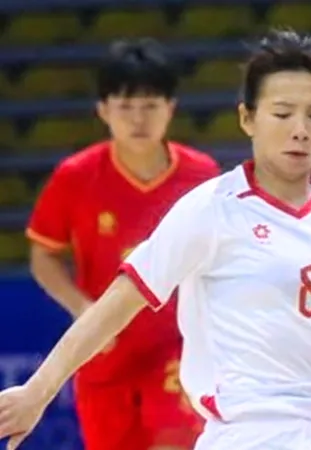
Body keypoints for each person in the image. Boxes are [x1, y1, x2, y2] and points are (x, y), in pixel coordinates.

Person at [0, 30, 311, 450]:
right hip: (245, 432)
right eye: (283, 113)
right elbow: (119, 302)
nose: (301, 130)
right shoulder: (211, 206)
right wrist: (38, 390)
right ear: (247, 119)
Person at [23, 39, 220, 450]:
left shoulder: (203, 176)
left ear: (171, 107)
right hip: (102, 348)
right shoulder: (75, 177)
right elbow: (44, 254)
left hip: (176, 346)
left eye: (150, 105)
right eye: (126, 106)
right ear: (103, 109)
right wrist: (81, 307)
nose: (138, 119)